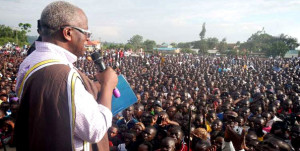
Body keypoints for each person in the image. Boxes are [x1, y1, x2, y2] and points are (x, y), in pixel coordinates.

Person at [14, 1, 118, 151]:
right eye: (86, 33)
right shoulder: (64, 77)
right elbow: (95, 131)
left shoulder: (32, 60)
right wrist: (108, 86)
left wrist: (93, 87)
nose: (87, 40)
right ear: (68, 33)